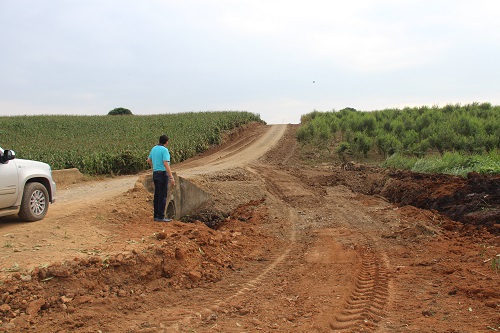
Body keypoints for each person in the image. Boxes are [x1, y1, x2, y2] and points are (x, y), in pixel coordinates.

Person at [147, 134, 176, 222]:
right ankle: (161, 217)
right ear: (166, 142)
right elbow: (166, 163)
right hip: (162, 174)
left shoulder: (154, 148)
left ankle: (156, 216)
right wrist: (171, 177)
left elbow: (148, 160)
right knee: (163, 195)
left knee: (157, 195)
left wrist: (154, 167)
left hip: (155, 174)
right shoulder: (164, 150)